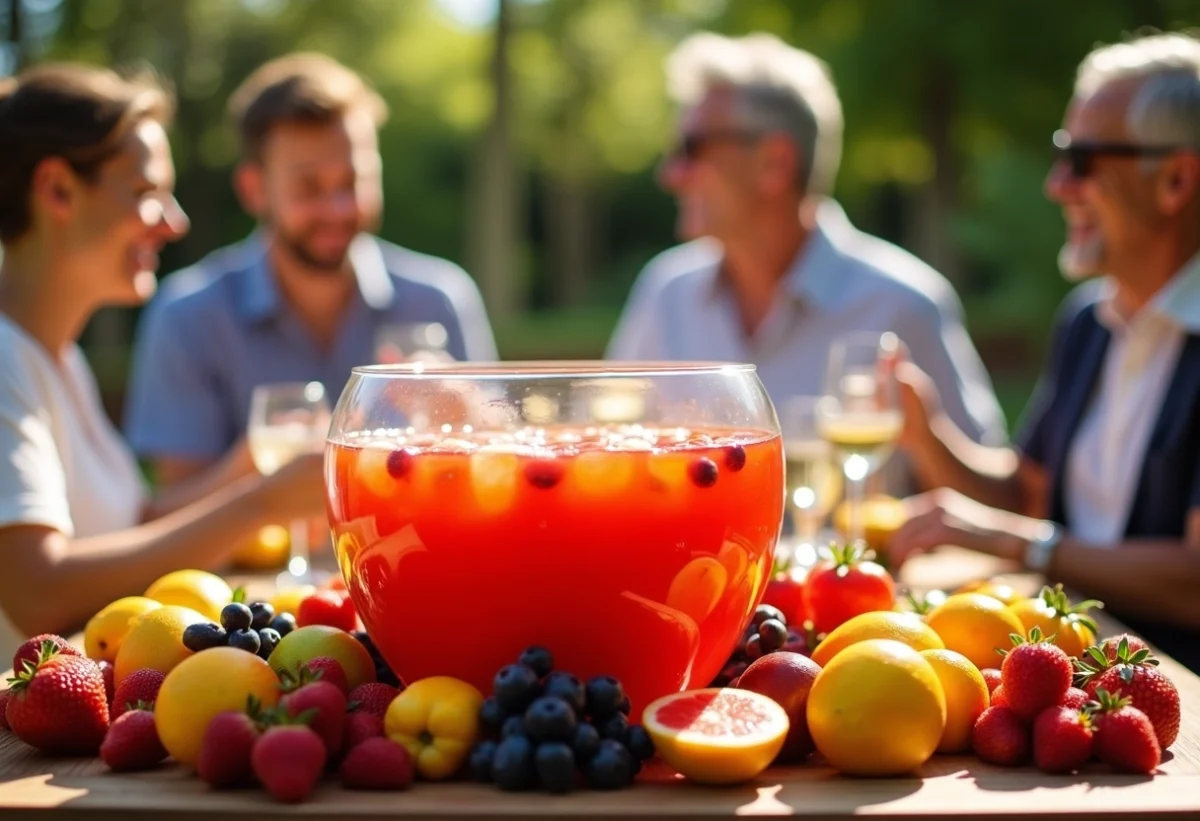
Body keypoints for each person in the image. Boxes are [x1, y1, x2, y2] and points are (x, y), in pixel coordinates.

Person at [888, 32, 1200, 671]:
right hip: (1078, 670)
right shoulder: (1087, 320)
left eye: (1081, 159)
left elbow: (1195, 583)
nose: (1058, 185)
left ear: (1175, 180)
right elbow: (1029, 497)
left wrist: (1018, 544)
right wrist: (928, 437)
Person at [0, 63, 328, 656]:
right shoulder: (5, 362)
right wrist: (263, 501)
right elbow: (37, 592)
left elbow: (130, 524)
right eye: (147, 193)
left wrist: (246, 464)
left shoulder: (56, 360)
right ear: (57, 190)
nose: (174, 223)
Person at [606, 32, 1007, 455]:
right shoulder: (665, 293)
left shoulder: (904, 304)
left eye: (692, 148)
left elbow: (986, 499)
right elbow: (612, 449)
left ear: (775, 163)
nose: (671, 175)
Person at [122, 53, 498, 495]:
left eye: (353, 182)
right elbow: (172, 513)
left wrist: (474, 415)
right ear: (253, 189)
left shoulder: (441, 297)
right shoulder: (187, 315)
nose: (337, 209)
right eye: (309, 187)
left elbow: (497, 477)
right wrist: (259, 459)